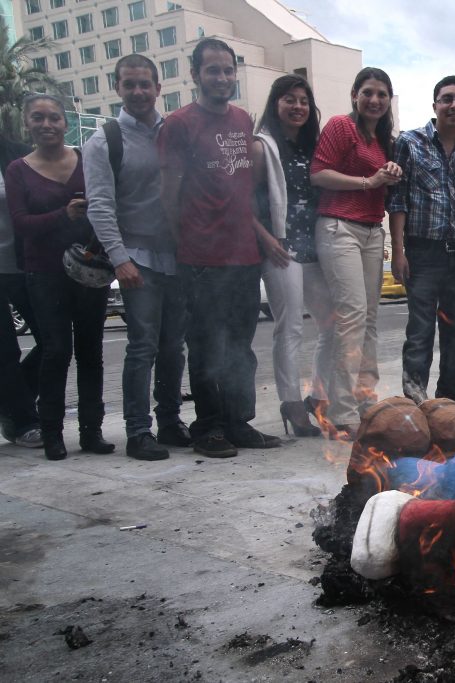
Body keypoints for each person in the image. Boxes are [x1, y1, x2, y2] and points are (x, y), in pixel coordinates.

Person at [158, 38, 281, 457]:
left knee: (240, 348)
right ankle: (208, 427)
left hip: (243, 256)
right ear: (195, 75)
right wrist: (185, 249)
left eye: (228, 70)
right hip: (201, 258)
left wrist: (258, 238)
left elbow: (243, 191)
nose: (222, 78)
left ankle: (237, 423)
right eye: (213, 70)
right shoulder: (178, 124)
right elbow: (168, 194)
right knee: (207, 347)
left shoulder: (243, 120)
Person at [84, 54, 190, 461]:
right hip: (137, 259)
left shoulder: (173, 132)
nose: (139, 92)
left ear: (158, 87)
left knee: (173, 346)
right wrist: (119, 258)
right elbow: (100, 206)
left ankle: (169, 422)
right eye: (130, 84)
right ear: (118, 88)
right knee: (142, 346)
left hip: (178, 257)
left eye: (145, 84)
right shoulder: (104, 140)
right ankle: (138, 431)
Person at [6, 94, 113, 460]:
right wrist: (62, 215)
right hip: (44, 273)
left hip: (89, 272)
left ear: (66, 123)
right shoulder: (18, 169)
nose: (47, 124)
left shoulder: (86, 160)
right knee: (56, 352)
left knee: (91, 353)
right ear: (28, 124)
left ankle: (91, 432)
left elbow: (106, 205)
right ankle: (52, 434)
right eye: (38, 118)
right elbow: (21, 224)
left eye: (54, 118)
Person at [311, 67, 402, 438]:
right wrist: (369, 181)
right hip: (338, 226)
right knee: (350, 318)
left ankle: (366, 400)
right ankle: (341, 410)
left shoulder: (384, 140)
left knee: (368, 320)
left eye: (382, 94)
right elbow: (318, 173)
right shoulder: (340, 126)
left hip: (370, 231)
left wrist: (390, 171)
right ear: (354, 95)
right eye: (368, 92)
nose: (375, 100)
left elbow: (387, 183)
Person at [387, 75, 455, 406]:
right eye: (447, 98)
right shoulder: (410, 142)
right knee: (420, 330)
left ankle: (449, 401)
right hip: (422, 251)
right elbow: (397, 200)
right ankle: (414, 403)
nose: (454, 105)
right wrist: (398, 251)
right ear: (435, 104)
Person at [251, 74, 331, 438]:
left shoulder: (314, 146)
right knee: (291, 327)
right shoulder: (262, 146)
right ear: (275, 103)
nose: (297, 106)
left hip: (315, 246)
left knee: (334, 323)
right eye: (289, 99)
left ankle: (318, 396)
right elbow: (242, 201)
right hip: (282, 248)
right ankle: (290, 402)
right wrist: (266, 239)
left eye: (303, 100)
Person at [0, 134, 42, 448]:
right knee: (5, 351)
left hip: (23, 265)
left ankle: (11, 404)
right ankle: (24, 420)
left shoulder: (19, 155)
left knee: (54, 341)